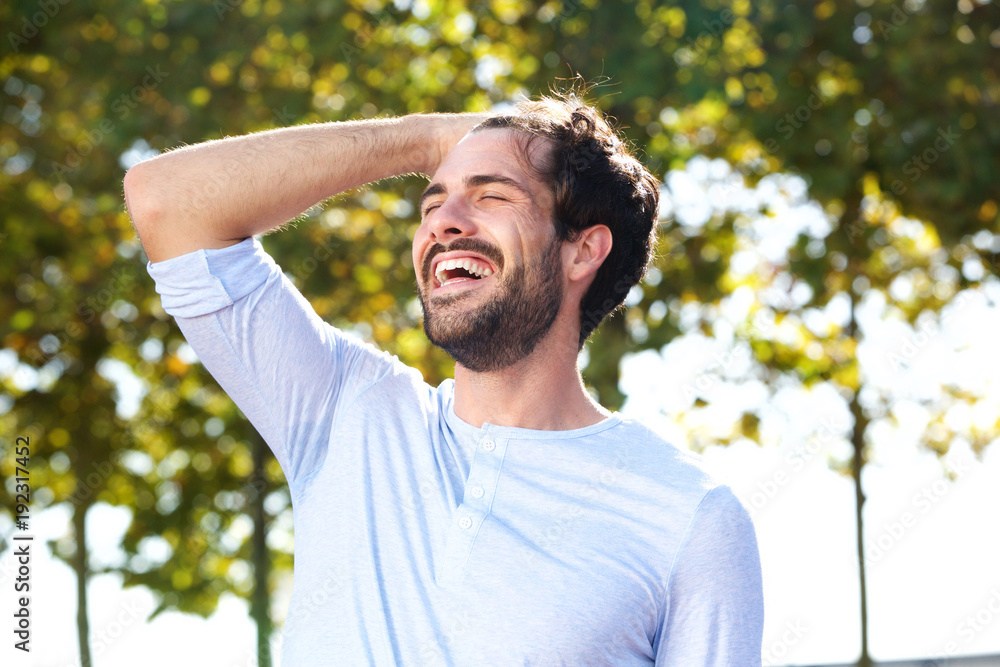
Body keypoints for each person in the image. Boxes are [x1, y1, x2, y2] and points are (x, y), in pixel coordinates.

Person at [124, 89, 764, 666]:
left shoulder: (690, 517)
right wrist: (427, 140)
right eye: (433, 202)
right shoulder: (349, 412)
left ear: (584, 250)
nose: (443, 222)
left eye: (491, 196)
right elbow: (167, 200)